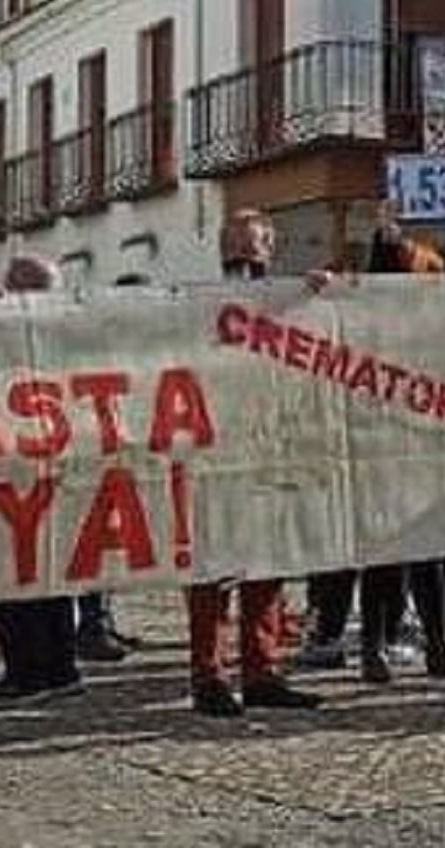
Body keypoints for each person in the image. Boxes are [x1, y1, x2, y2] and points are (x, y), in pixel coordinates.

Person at [184, 210, 318, 717]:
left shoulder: (286, 300)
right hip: (213, 453)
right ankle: (210, 675)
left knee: (267, 565)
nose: (249, 249)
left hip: (269, 449)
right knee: (213, 570)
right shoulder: (195, 302)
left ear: (272, 246)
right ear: (222, 246)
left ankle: (263, 670)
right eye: (239, 240)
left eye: (259, 240)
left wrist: (314, 297)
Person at [352, 228, 445, 684]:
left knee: (432, 556)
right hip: (380, 447)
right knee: (384, 557)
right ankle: (373, 645)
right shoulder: (370, 320)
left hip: (426, 446)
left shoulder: (434, 327)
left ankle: (437, 644)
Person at [0, 255, 85, 702]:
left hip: (48, 470)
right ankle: (42, 668)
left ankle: (41, 670)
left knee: (41, 579)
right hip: (11, 468)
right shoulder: (4, 327)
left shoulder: (65, 332)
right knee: (21, 577)